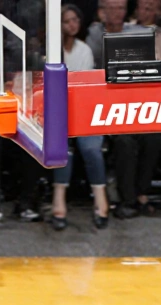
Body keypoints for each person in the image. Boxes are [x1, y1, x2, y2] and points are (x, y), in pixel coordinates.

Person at [51, 2, 109, 231]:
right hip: (56, 113)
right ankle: (58, 199)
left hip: (84, 110)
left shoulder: (84, 49)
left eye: (75, 20)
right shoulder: (49, 50)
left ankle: (101, 199)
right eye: (67, 21)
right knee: (62, 148)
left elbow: (84, 86)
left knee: (91, 147)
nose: (72, 25)